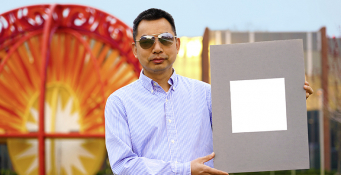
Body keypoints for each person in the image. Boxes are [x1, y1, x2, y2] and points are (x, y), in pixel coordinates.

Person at [105, 8, 314, 175]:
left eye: (165, 39)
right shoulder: (119, 102)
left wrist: (288, 97)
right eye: (147, 41)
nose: (157, 48)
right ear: (134, 49)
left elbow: (245, 122)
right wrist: (185, 171)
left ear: (177, 44)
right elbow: (123, 166)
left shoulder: (206, 94)